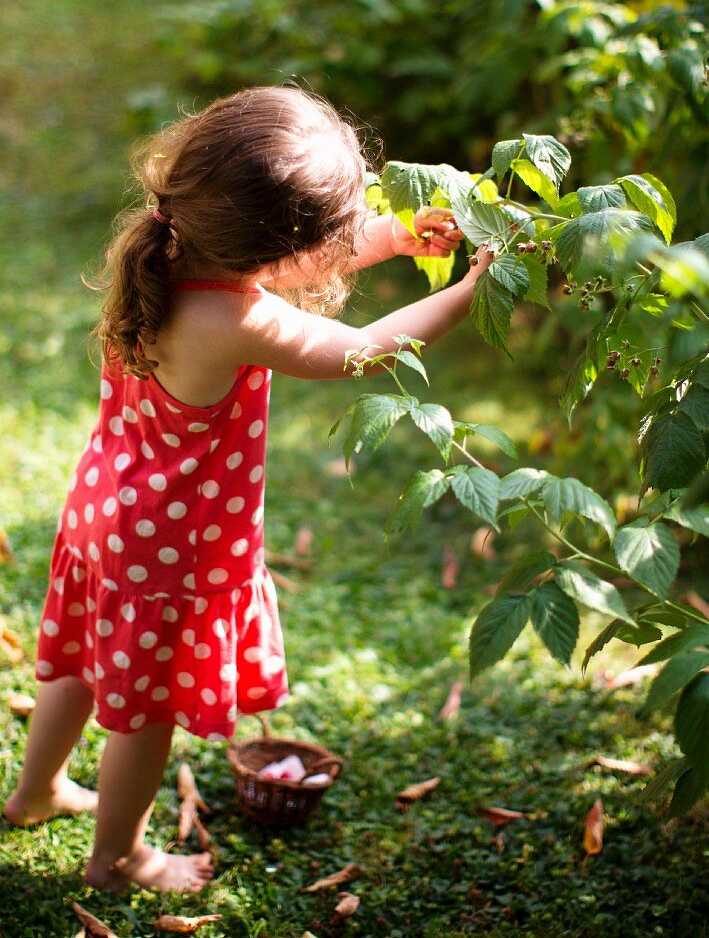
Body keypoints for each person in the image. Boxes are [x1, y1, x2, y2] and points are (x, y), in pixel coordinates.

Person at [3, 86, 493, 893]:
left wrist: (390, 237)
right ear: (267, 244)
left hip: (107, 510)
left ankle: (35, 792)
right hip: (170, 547)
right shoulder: (234, 320)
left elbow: (281, 261)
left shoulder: (167, 251)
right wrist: (468, 290)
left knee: (81, 666)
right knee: (148, 713)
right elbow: (363, 350)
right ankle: (118, 858)